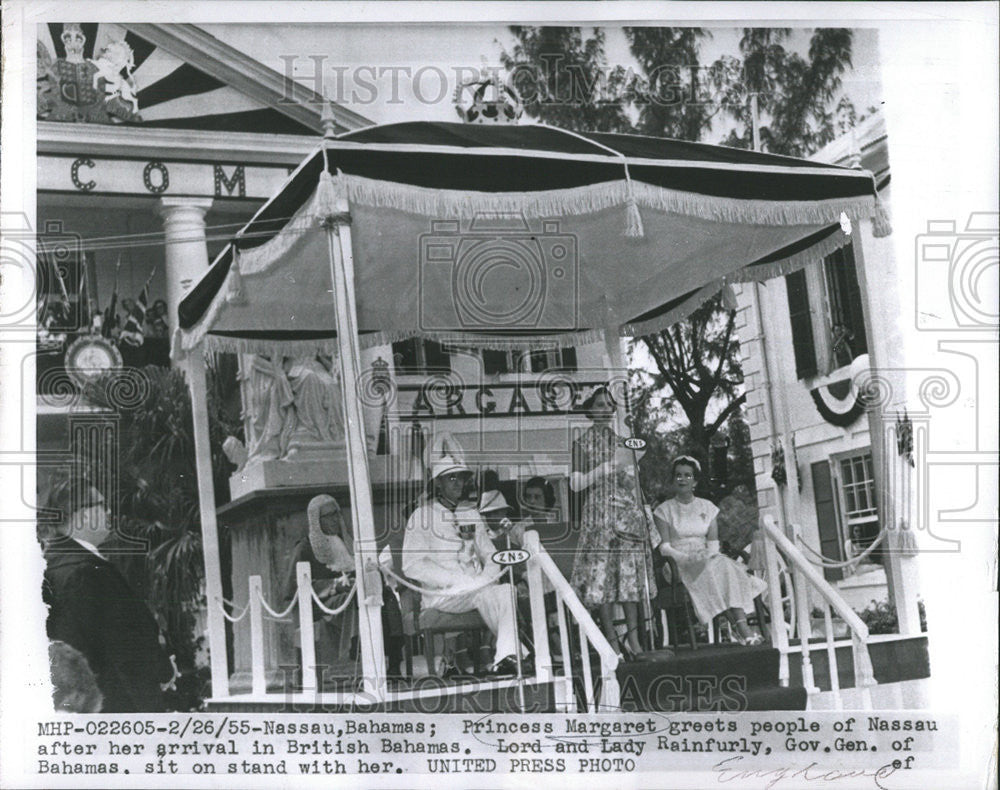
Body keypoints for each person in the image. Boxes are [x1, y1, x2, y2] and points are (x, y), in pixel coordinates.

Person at [40, 477, 175, 712]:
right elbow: (124, 649)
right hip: (119, 712)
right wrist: (162, 671)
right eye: (102, 505)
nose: (109, 511)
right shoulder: (87, 572)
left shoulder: (52, 567)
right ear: (83, 516)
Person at [402, 453, 529, 677]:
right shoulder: (421, 516)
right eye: (451, 479)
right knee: (491, 592)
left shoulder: (470, 513)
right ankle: (520, 651)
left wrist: (485, 578)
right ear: (438, 483)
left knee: (506, 590)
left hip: (477, 588)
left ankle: (507, 657)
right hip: (443, 595)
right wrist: (456, 580)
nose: (458, 483)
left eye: (461, 478)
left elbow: (490, 555)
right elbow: (412, 565)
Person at [568, 385, 657, 661]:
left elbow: (633, 482)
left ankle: (633, 639)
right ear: (590, 410)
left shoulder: (622, 441)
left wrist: (630, 471)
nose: (605, 410)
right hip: (600, 514)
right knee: (603, 579)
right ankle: (611, 641)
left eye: (609, 405)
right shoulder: (581, 443)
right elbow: (574, 483)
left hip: (625, 512)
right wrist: (600, 470)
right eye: (599, 405)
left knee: (629, 578)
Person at [281, 495, 404, 679]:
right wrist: (334, 585)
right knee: (355, 599)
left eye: (336, 514)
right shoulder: (305, 548)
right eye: (328, 516)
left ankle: (394, 663)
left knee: (386, 595)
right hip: (321, 606)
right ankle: (356, 663)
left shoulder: (348, 543)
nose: (334, 519)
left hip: (352, 596)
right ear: (316, 521)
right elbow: (295, 590)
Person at [653, 456, 768, 645]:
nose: (682, 479)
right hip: (676, 564)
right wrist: (687, 558)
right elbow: (664, 548)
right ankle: (741, 628)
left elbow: (713, 543)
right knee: (720, 569)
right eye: (678, 475)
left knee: (722, 566)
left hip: (705, 557)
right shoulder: (664, 511)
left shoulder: (707, 507)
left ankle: (739, 628)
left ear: (695, 481)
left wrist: (706, 555)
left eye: (687, 476)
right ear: (673, 480)